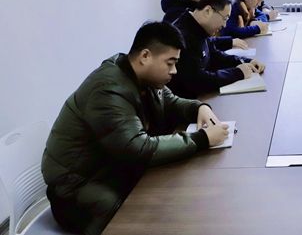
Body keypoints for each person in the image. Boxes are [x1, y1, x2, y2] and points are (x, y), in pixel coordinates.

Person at [42, 22, 230, 235]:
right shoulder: (108, 91)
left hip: (110, 169)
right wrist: (201, 139)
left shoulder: (141, 77)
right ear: (145, 56)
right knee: (145, 214)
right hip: (77, 191)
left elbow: (170, 102)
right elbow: (138, 148)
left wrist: (199, 108)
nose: (174, 71)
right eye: (170, 63)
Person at [169, 0, 265, 98]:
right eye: (225, 18)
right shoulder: (183, 35)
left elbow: (214, 56)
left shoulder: (198, 27)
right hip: (187, 100)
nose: (224, 25)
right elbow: (197, 81)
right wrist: (238, 73)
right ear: (208, 11)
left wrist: (245, 61)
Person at [161, 0, 247, 51]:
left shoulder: (192, 10)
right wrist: (229, 42)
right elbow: (199, 43)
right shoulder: (178, 14)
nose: (212, 0)